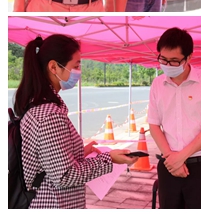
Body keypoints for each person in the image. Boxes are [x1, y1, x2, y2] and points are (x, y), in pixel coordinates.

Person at [13, 34, 138, 209]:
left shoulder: (39, 105)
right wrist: (109, 159)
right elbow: (64, 176)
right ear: (54, 67)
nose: (79, 71)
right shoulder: (49, 115)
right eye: (76, 65)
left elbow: (48, 160)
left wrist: (80, 152)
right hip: (54, 204)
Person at [148, 27, 201, 209]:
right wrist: (172, 159)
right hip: (168, 165)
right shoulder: (157, 84)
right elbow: (154, 125)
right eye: (163, 59)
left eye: (174, 61)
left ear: (189, 57)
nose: (168, 65)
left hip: (199, 167)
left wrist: (181, 157)